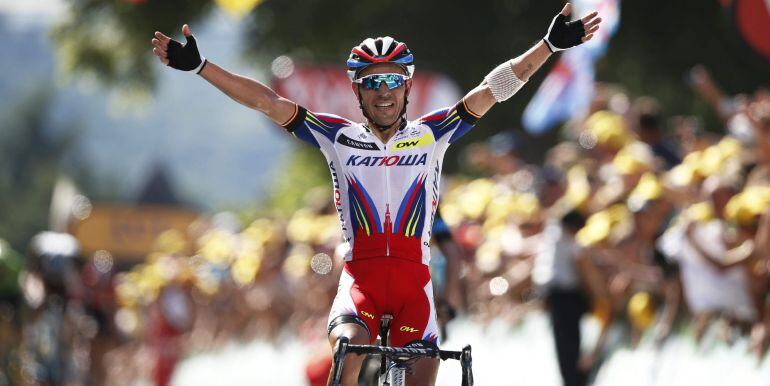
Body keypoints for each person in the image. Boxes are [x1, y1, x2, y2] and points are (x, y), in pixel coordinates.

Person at [151, 4, 601, 385]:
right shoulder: (337, 135)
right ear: (357, 90)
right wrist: (201, 67)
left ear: (407, 88)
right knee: (349, 356)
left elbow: (492, 90)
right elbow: (267, 102)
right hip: (360, 286)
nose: (383, 92)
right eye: (371, 82)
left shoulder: (433, 134)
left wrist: (549, 46)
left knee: (426, 375)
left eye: (392, 81)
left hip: (414, 289)